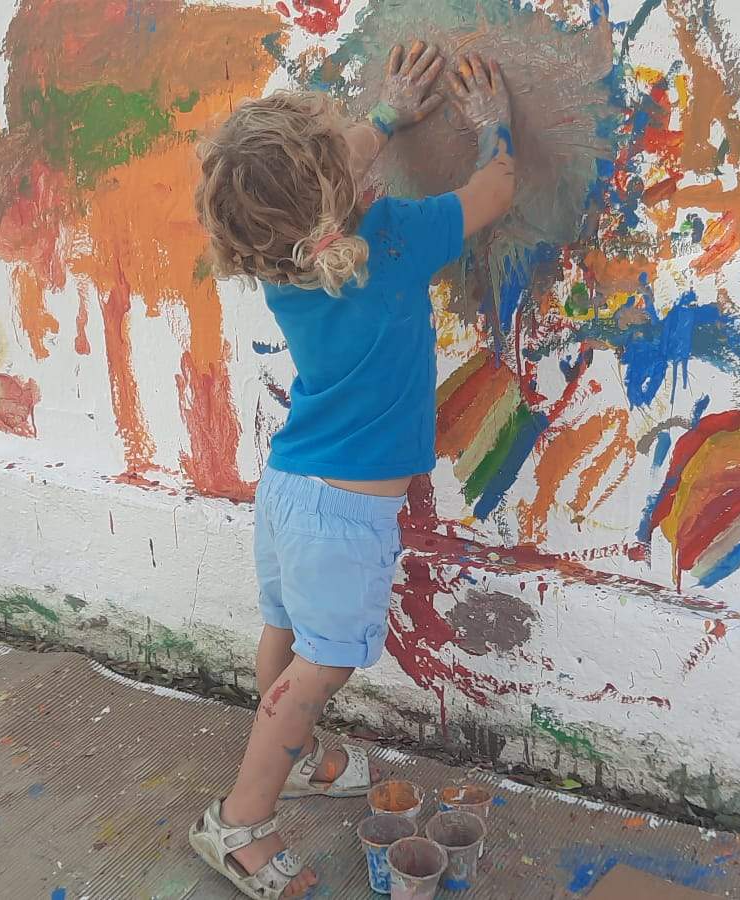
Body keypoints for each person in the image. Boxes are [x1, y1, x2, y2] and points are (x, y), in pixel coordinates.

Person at [187, 43, 517, 899]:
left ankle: (309, 762)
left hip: (292, 488)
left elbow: (318, 193)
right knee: (319, 671)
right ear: (347, 197)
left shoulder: (282, 260)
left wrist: (382, 118)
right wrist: (494, 126)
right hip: (341, 516)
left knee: (285, 638)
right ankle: (240, 824)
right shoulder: (396, 238)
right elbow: (497, 192)